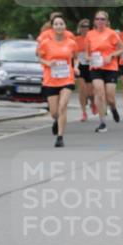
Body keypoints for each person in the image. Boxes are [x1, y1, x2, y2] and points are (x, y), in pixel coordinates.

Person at [36, 14, 78, 147]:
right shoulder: (46, 43)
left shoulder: (71, 42)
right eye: (56, 24)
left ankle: (60, 137)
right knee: (54, 112)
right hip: (51, 80)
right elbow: (39, 58)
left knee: (62, 107)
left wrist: (75, 68)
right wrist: (48, 63)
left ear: (65, 26)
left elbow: (76, 57)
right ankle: (56, 120)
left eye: (61, 24)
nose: (59, 26)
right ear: (52, 27)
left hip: (67, 78)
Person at [84, 10, 123, 133]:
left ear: (106, 21)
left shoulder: (112, 33)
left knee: (110, 97)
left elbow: (122, 49)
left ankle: (113, 107)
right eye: (97, 19)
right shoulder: (90, 34)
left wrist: (111, 55)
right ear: (94, 21)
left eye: (102, 19)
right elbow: (86, 55)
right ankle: (102, 122)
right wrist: (91, 58)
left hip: (110, 67)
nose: (100, 21)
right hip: (96, 68)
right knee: (99, 93)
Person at [74, 18, 96, 121]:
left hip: (90, 65)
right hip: (80, 66)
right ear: (80, 28)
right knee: (82, 90)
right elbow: (73, 53)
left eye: (87, 26)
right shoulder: (75, 39)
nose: (85, 28)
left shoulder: (92, 38)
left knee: (90, 92)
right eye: (83, 26)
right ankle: (83, 112)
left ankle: (92, 102)